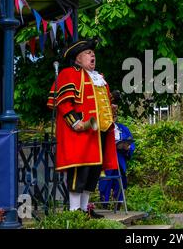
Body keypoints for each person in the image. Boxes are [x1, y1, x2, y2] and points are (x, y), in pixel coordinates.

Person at [47, 39, 118, 218]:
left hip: (99, 131)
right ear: (77, 59)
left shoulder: (99, 78)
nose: (92, 55)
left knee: (94, 171)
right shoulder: (69, 73)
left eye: (93, 53)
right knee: (80, 170)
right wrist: (74, 122)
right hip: (80, 131)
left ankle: (86, 209)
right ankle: (74, 211)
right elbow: (62, 103)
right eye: (87, 53)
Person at [99, 106, 135, 209]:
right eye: (112, 115)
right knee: (105, 182)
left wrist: (127, 147)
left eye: (115, 115)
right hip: (107, 160)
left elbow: (131, 143)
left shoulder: (123, 128)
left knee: (120, 183)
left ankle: (117, 206)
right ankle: (104, 205)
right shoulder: (102, 129)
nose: (114, 117)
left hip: (120, 159)